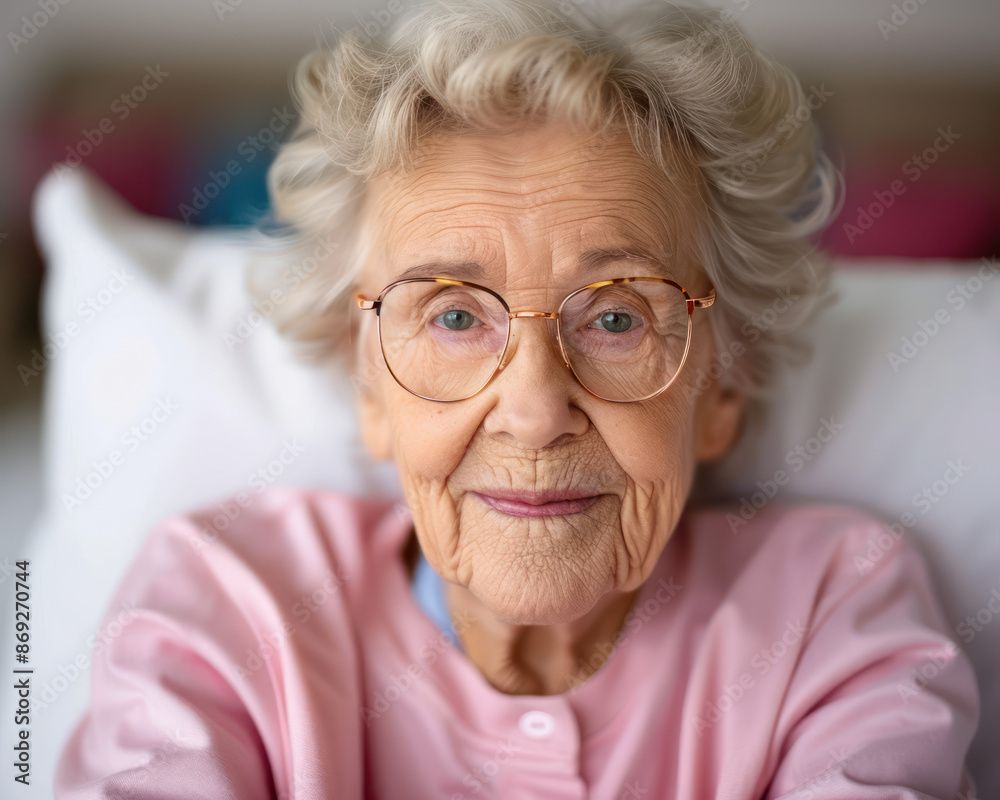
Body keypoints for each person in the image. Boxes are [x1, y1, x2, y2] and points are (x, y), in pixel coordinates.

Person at [55, 0, 979, 797]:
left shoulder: (831, 612)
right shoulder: (226, 604)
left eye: (616, 320)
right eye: (455, 318)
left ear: (723, 382)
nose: (535, 410)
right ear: (367, 384)